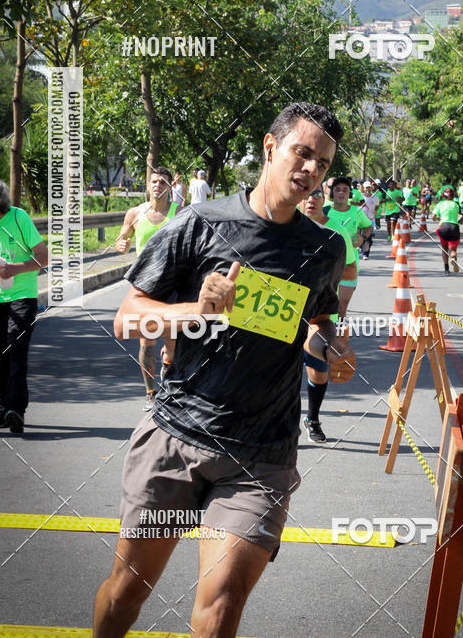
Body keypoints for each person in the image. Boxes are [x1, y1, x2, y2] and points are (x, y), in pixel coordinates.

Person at [93, 102, 355, 638]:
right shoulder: (199, 223)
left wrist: (333, 349)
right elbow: (127, 319)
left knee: (220, 610)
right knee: (126, 592)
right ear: (269, 147)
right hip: (176, 437)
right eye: (301, 153)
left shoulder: (325, 248)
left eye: (322, 163)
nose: (309, 170)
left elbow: (319, 324)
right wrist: (196, 310)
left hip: (260, 457)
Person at [0, 178, 48, 434]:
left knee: (16, 350)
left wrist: (14, 269)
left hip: (22, 296)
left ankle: (15, 409)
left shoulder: (19, 218)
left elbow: (43, 257)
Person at [115, 167, 179, 410]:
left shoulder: (179, 213)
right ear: (148, 184)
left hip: (172, 283)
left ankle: (168, 371)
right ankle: (151, 393)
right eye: (154, 181)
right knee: (146, 342)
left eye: (163, 182)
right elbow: (121, 238)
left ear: (170, 187)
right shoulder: (135, 213)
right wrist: (122, 243)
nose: (158, 185)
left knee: (171, 344)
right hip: (145, 286)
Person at [298, 188, 357, 442]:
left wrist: (341, 309)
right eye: (306, 194)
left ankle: (312, 419)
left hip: (320, 316)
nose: (311, 199)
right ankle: (283, 425)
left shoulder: (336, 232)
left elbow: (351, 270)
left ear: (325, 200)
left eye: (316, 194)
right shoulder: (283, 225)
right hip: (285, 314)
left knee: (318, 370)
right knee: (281, 373)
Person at [323, 176, 372, 316]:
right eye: (337, 190)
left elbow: (368, 227)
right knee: (327, 305)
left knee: (342, 306)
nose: (341, 193)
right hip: (328, 264)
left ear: (350, 193)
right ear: (332, 192)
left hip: (350, 264)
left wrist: (362, 238)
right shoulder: (324, 211)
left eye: (345, 190)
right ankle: (327, 334)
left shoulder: (356, 212)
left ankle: (339, 334)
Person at [432, 187, 462, 273]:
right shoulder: (456, 204)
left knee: (444, 249)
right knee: (453, 250)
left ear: (444, 196)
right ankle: (453, 258)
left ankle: (446, 269)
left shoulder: (440, 204)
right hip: (454, 226)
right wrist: (459, 221)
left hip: (444, 226)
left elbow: (433, 217)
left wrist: (438, 219)